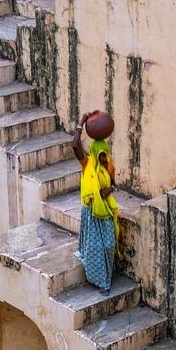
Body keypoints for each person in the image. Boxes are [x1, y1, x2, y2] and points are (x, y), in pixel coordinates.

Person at [72, 110, 119, 295]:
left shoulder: (110, 166)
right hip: (91, 212)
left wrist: (109, 190)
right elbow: (75, 145)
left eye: (104, 154)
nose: (102, 157)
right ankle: (102, 283)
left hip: (105, 211)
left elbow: (112, 185)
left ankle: (106, 276)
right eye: (99, 154)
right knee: (95, 249)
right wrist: (82, 122)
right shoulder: (87, 165)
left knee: (108, 246)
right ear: (94, 153)